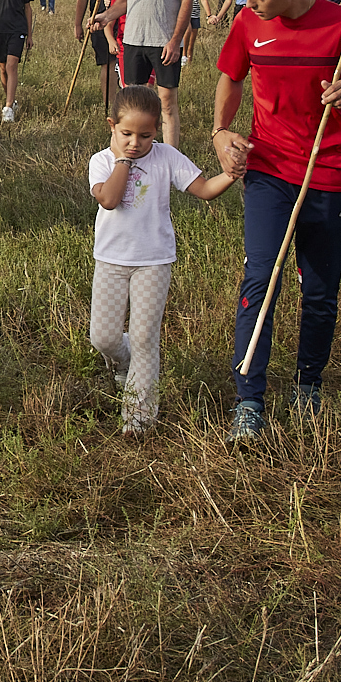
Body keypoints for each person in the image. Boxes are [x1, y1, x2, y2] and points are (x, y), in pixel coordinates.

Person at [211, 0, 341, 440]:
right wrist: (221, 132)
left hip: (328, 172)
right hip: (269, 170)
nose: (250, 4)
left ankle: (308, 385)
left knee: (320, 291)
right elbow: (231, 77)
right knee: (260, 281)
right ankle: (249, 399)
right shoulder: (248, 22)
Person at [89, 84, 242, 434]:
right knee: (104, 337)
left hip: (154, 261)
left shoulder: (167, 157)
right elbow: (109, 200)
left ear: (157, 130)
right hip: (111, 260)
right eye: (127, 134)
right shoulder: (102, 161)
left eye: (145, 135)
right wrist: (123, 161)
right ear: (112, 126)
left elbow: (204, 189)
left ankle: (139, 418)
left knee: (145, 337)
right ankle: (123, 362)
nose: (135, 142)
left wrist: (231, 175)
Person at [99, 0, 199, 146]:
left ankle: (171, 157)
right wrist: (107, 16)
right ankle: (129, 153)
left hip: (164, 42)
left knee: (167, 103)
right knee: (132, 103)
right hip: (133, 40)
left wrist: (176, 41)